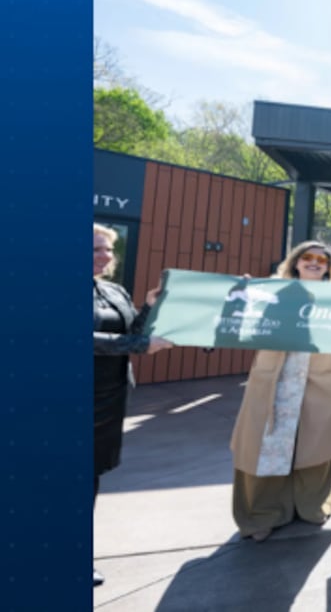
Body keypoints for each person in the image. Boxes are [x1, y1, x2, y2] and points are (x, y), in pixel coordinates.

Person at [229, 240, 331, 543]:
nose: (314, 263)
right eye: (308, 257)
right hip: (279, 377)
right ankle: (262, 514)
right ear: (296, 262)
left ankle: (311, 505)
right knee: (267, 445)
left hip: (323, 377)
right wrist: (242, 294)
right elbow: (243, 320)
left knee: (317, 443)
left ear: (329, 267)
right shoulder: (272, 291)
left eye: (322, 260)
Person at [93, 224, 173, 586]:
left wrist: (149, 307)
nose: (106, 256)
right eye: (96, 249)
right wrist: (142, 346)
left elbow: (133, 333)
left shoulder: (113, 290)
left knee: (90, 477)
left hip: (109, 399)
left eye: (108, 250)